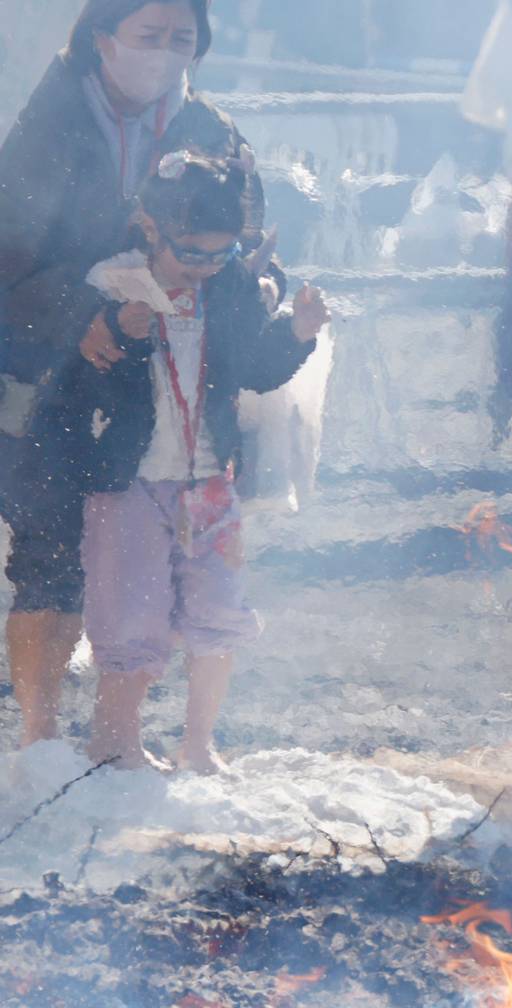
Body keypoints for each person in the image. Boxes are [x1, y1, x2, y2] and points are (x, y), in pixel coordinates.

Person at [0, 0, 279, 749]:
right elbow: (9, 250)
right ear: (102, 38)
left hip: (166, 396)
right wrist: (79, 315)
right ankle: (39, 734)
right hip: (52, 372)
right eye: (147, 36)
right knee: (48, 549)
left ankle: (122, 734)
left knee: (155, 564)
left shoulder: (211, 130)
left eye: (181, 39)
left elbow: (248, 239)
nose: (163, 53)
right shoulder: (49, 124)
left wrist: (264, 293)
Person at [43, 151, 323, 773]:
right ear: (149, 227)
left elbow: (252, 369)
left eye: (218, 254)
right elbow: (72, 384)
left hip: (210, 479)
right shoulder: (110, 285)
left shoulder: (230, 289)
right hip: (129, 480)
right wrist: (115, 333)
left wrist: (297, 333)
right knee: (129, 612)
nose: (202, 267)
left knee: (219, 607)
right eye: (190, 252)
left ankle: (200, 743)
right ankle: (115, 740)